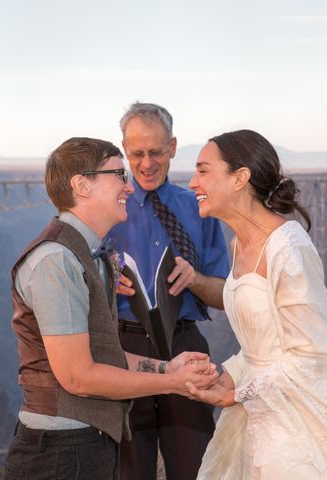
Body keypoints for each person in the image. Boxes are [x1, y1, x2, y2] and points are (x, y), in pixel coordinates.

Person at [4, 137, 217, 480]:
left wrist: (167, 368)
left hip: (88, 444)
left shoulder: (86, 256)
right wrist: (174, 383)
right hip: (60, 453)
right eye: (118, 174)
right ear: (82, 185)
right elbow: (78, 376)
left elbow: (103, 355)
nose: (129, 186)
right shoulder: (56, 261)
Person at [185, 129, 327, 479]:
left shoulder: (288, 248)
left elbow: (311, 354)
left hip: (295, 432)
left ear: (240, 178)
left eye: (203, 171)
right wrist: (227, 378)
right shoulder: (239, 245)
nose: (192, 182)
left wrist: (238, 394)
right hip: (259, 418)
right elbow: (260, 347)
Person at [107, 102, 230, 480]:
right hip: (123, 350)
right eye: (137, 154)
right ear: (125, 151)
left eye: (156, 152)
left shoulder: (198, 206)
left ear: (173, 147)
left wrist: (195, 279)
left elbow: (225, 293)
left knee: (195, 467)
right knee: (130, 470)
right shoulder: (106, 205)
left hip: (186, 344)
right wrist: (103, 278)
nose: (146, 163)